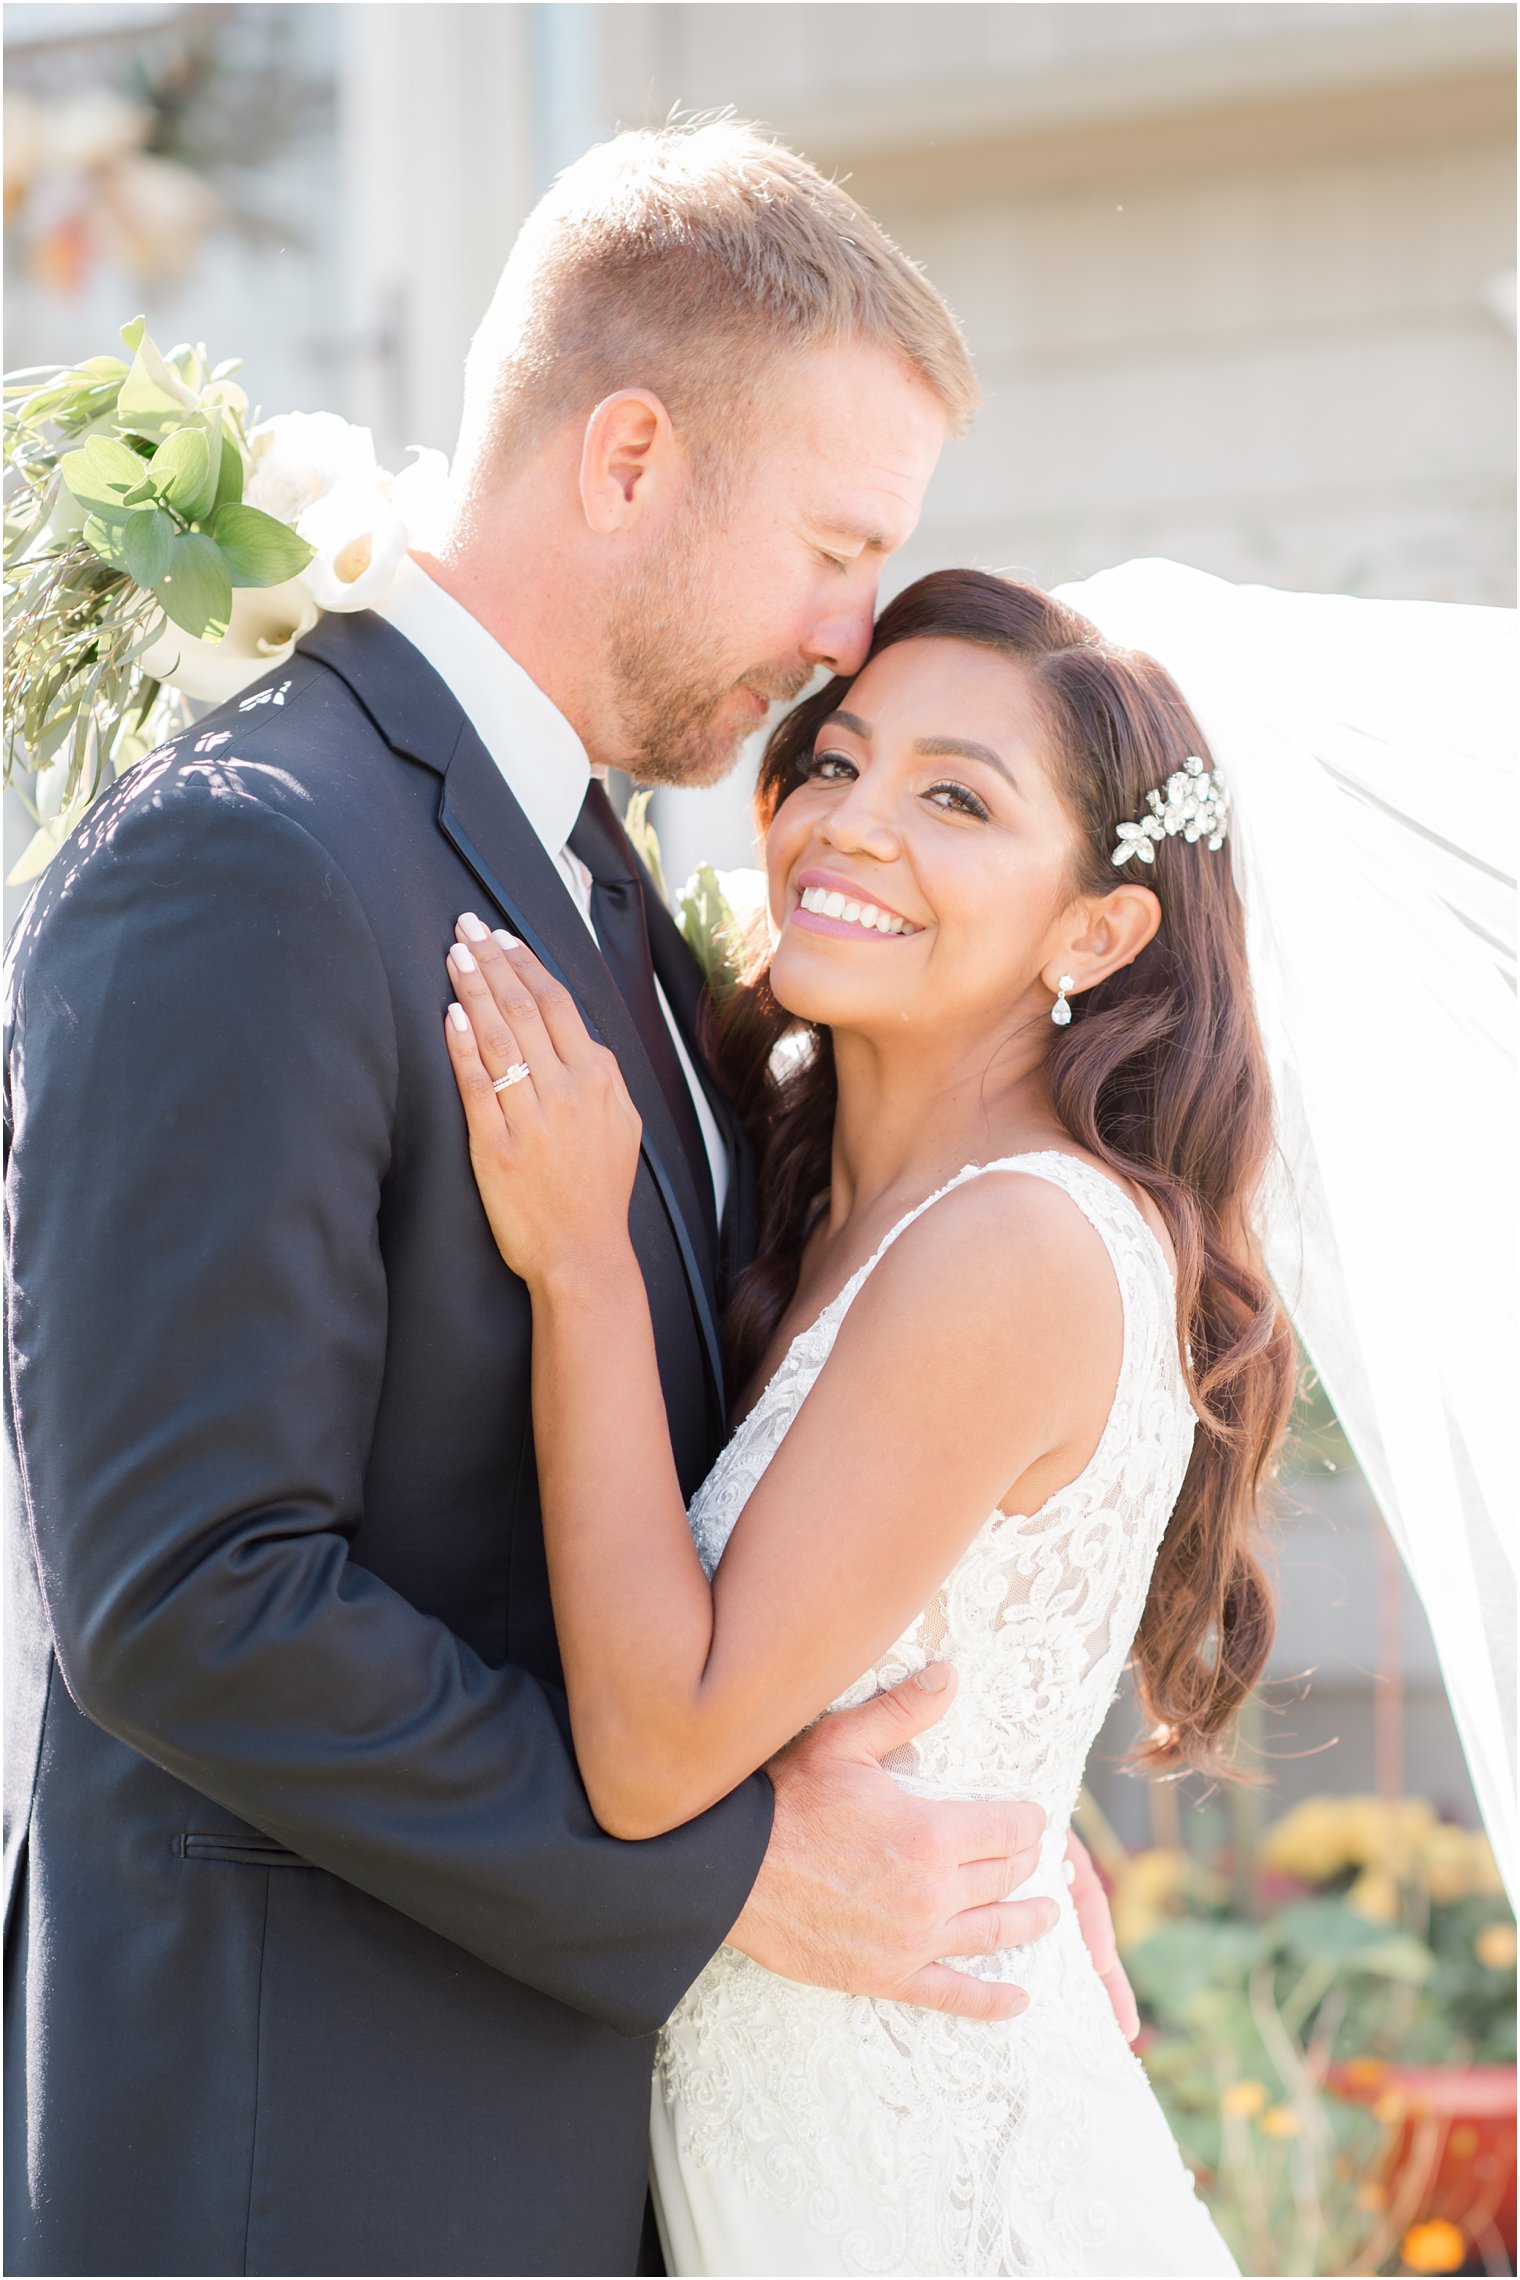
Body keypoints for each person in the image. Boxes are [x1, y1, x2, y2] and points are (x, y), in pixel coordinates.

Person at [3, 124, 1126, 2279]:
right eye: (830, 543)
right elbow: (187, 1596)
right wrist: (729, 1874)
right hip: (309, 2172)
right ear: (628, 460)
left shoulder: (598, 884)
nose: (844, 634)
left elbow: (700, 1481)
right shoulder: (253, 858)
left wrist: (952, 1773)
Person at [440, 567, 1300, 2277]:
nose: (852, 825)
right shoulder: (812, 1186)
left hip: (927, 2203)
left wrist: (582, 1266)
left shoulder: (1016, 1246)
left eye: (956, 799)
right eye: (836, 762)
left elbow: (656, 1741)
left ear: (1095, 931)